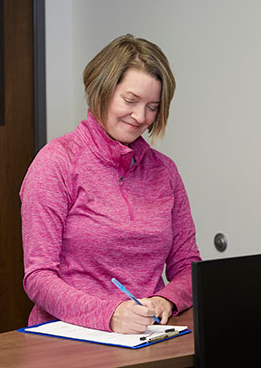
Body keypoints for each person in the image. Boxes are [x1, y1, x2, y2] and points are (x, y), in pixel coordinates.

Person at [20, 34, 200, 334]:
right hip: (70, 338)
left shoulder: (165, 172)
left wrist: (165, 300)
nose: (140, 117)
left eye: (152, 107)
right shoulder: (56, 163)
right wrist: (110, 314)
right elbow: (38, 277)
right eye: (130, 101)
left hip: (149, 336)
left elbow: (188, 266)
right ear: (101, 90)